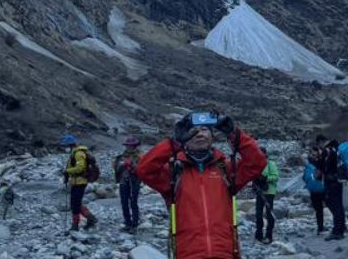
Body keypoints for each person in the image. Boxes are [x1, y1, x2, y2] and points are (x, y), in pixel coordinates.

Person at [138, 110, 266, 259]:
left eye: (204, 129)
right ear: (185, 138)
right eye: (193, 131)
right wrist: (174, 144)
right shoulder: (174, 173)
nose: (199, 134)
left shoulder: (226, 170)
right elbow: (144, 169)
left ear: (212, 135)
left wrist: (234, 134)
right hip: (188, 253)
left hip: (224, 252)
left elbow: (258, 162)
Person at [60, 134, 98, 231]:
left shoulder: (78, 154)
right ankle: (90, 218)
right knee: (76, 203)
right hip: (76, 181)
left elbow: (80, 168)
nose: (64, 148)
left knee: (75, 204)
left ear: (69, 145)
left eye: (65, 146)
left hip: (80, 181)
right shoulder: (74, 153)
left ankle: (76, 225)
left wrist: (68, 171)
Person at [318, 136, 346, 240]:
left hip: (331, 182)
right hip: (338, 181)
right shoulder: (337, 151)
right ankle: (341, 229)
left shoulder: (328, 152)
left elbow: (324, 167)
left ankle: (337, 231)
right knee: (339, 206)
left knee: (333, 205)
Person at [113, 136, 142, 232]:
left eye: (131, 146)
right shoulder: (121, 157)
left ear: (134, 146)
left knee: (133, 202)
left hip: (135, 181)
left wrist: (132, 166)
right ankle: (127, 223)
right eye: (127, 145)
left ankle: (134, 224)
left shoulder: (140, 156)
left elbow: (143, 169)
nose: (129, 147)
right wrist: (121, 165)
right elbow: (116, 170)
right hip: (123, 182)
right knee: (124, 203)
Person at [253, 149, 279, 244]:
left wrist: (266, 178)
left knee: (269, 214)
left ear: (265, 154)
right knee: (258, 214)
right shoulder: (256, 165)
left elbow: (276, 176)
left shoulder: (271, 164)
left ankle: (269, 235)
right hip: (260, 192)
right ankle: (258, 235)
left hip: (269, 192)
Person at [302, 150, 326, 234]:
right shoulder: (321, 163)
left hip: (314, 190)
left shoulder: (309, 166)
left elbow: (304, 178)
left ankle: (320, 228)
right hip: (321, 189)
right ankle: (322, 227)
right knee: (325, 208)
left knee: (318, 210)